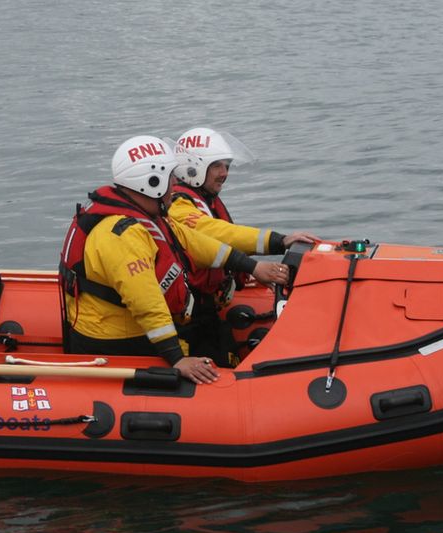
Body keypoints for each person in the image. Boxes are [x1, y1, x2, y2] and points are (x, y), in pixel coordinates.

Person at [59, 135, 287, 384]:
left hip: (129, 326)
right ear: (152, 182)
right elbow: (146, 302)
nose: (175, 185)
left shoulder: (147, 216)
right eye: (171, 179)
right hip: (114, 338)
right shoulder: (123, 234)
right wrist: (177, 358)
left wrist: (253, 266)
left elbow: (196, 242)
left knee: (210, 337)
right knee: (206, 354)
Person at [168, 127, 317, 366]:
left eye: (226, 166)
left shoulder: (204, 199)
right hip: (189, 319)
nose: (225, 173)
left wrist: (247, 272)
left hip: (207, 309)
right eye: (217, 166)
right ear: (193, 167)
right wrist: (279, 240)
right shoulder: (177, 206)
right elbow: (216, 234)